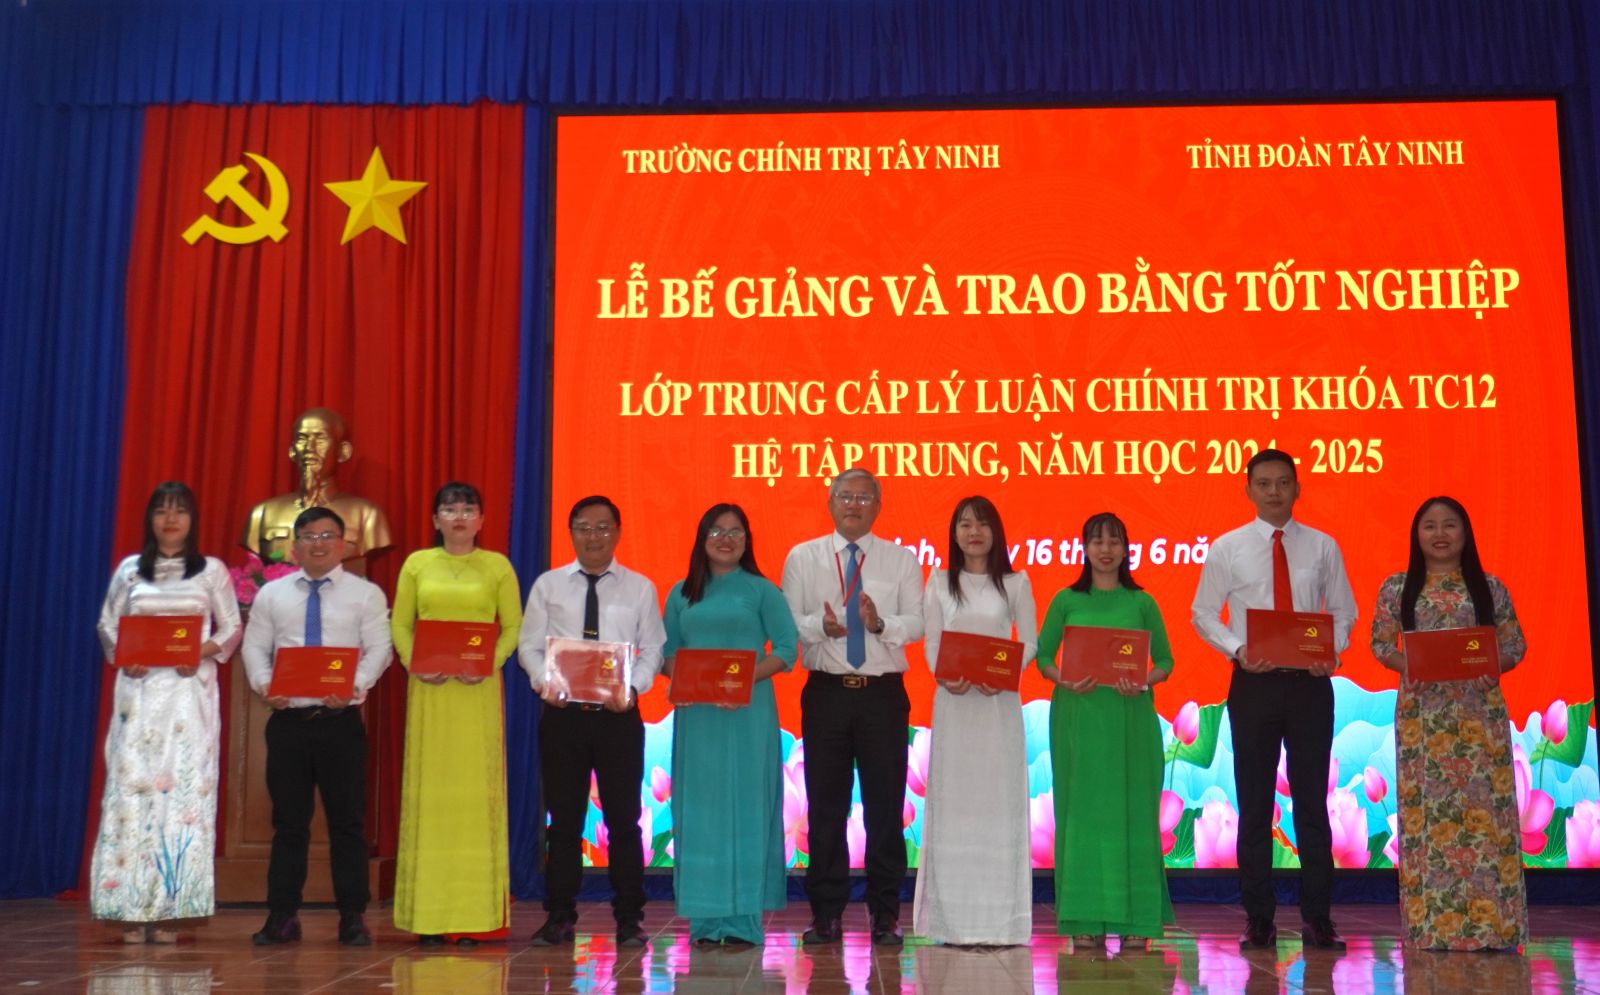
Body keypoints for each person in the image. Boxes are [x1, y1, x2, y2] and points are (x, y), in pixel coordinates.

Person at [1191, 449, 1357, 950]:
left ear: (1297, 488)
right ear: (1248, 490)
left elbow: (1344, 611)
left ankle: (1318, 917)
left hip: (1310, 684)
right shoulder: (1228, 548)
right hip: (1254, 684)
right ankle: (1258, 918)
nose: (1274, 492)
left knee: (1311, 803)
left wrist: (1330, 651)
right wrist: (1238, 650)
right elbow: (1203, 613)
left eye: (1283, 482)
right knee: (1255, 802)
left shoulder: (1323, 546)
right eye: (1263, 483)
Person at [1370, 496, 1528, 950]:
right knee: (1427, 820)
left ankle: (1494, 929)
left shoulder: (1489, 587)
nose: (1440, 534)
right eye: (1430, 526)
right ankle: (1432, 931)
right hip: (1424, 718)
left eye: (1450, 525)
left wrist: (1495, 666)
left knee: (1486, 820)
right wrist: (1409, 665)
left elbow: (1514, 645)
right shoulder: (1397, 587)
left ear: (1465, 533)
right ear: (1416, 535)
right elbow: (1380, 644)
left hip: (1479, 713)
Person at [90, 482, 241, 943]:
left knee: (182, 796)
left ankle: (173, 908)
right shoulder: (130, 570)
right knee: (132, 794)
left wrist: (200, 652)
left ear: (192, 520)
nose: (170, 519)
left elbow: (231, 627)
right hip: (138, 698)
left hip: (187, 699)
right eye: (161, 511)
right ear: (150, 519)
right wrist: (125, 656)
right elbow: (107, 625)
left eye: (179, 511)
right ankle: (130, 906)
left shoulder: (211, 571)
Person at [781, 468, 925, 946]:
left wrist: (879, 624)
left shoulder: (901, 560)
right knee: (826, 808)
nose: (854, 505)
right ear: (830, 502)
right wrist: (820, 627)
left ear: (878, 506)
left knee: (886, 808)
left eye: (864, 498)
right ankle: (826, 914)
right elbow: (787, 621)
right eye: (845, 496)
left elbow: (917, 621)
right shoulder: (802, 557)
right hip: (827, 693)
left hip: (882, 695)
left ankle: (885, 914)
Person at [240, 507, 392, 946]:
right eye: (308, 536)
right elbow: (254, 648)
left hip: (339, 722)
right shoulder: (272, 594)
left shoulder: (365, 594)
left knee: (348, 824)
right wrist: (264, 684)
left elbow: (379, 649)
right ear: (295, 546)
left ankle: (352, 916)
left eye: (327, 536)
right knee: (289, 824)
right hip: (288, 722)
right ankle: (282, 916)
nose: (318, 543)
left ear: (343, 544)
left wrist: (355, 686)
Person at [519, 495, 666, 946]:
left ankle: (629, 918)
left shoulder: (639, 587)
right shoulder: (548, 585)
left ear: (617, 532)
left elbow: (653, 649)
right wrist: (545, 682)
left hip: (617, 718)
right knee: (564, 821)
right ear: (571, 533)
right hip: (563, 717)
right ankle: (560, 915)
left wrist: (633, 689)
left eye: (603, 527)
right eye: (584, 527)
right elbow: (529, 647)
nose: (593, 536)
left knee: (624, 821)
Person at [390, 482, 523, 946]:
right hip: (430, 692)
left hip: (476, 692)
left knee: (473, 800)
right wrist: (414, 662)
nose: (460, 517)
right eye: (450, 509)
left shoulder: (497, 566)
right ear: (436, 520)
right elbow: (400, 624)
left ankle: (473, 916)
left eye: (469, 509)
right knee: (430, 798)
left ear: (482, 520)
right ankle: (427, 917)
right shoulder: (417, 564)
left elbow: (513, 626)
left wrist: (489, 663)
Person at [662, 503, 799, 947]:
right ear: (702, 539)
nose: (726, 539)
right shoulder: (681, 593)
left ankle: (742, 921)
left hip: (748, 713)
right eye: (717, 531)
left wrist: (739, 681)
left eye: (735, 531)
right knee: (700, 811)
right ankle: (704, 921)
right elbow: (667, 654)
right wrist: (690, 682)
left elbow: (787, 650)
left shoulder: (762, 590)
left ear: (747, 540)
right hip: (698, 715)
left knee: (747, 807)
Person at [1036, 512, 1175, 949]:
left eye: (1114, 541)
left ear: (1125, 548)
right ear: (1084, 548)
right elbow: (1043, 657)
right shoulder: (1066, 600)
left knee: (1133, 814)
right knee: (1082, 816)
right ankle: (1084, 920)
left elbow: (1165, 662)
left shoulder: (1142, 602)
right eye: (1097, 541)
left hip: (1130, 719)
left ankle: (1137, 923)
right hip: (1078, 719)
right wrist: (1062, 678)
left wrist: (1144, 680)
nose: (1106, 550)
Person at [914, 496, 1036, 946]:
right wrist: (946, 675)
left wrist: (1003, 675)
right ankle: (953, 925)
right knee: (956, 809)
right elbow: (932, 644)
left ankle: (1002, 924)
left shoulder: (1016, 583)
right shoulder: (939, 581)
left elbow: (1031, 643)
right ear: (954, 533)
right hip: (955, 704)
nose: (974, 532)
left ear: (995, 531)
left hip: (998, 707)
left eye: (982, 523)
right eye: (965, 524)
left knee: (998, 807)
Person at [240, 407, 392, 573]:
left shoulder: (367, 515)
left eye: (320, 439)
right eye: (302, 439)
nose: (309, 448)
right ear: (292, 451)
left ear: (343, 452)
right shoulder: (262, 514)